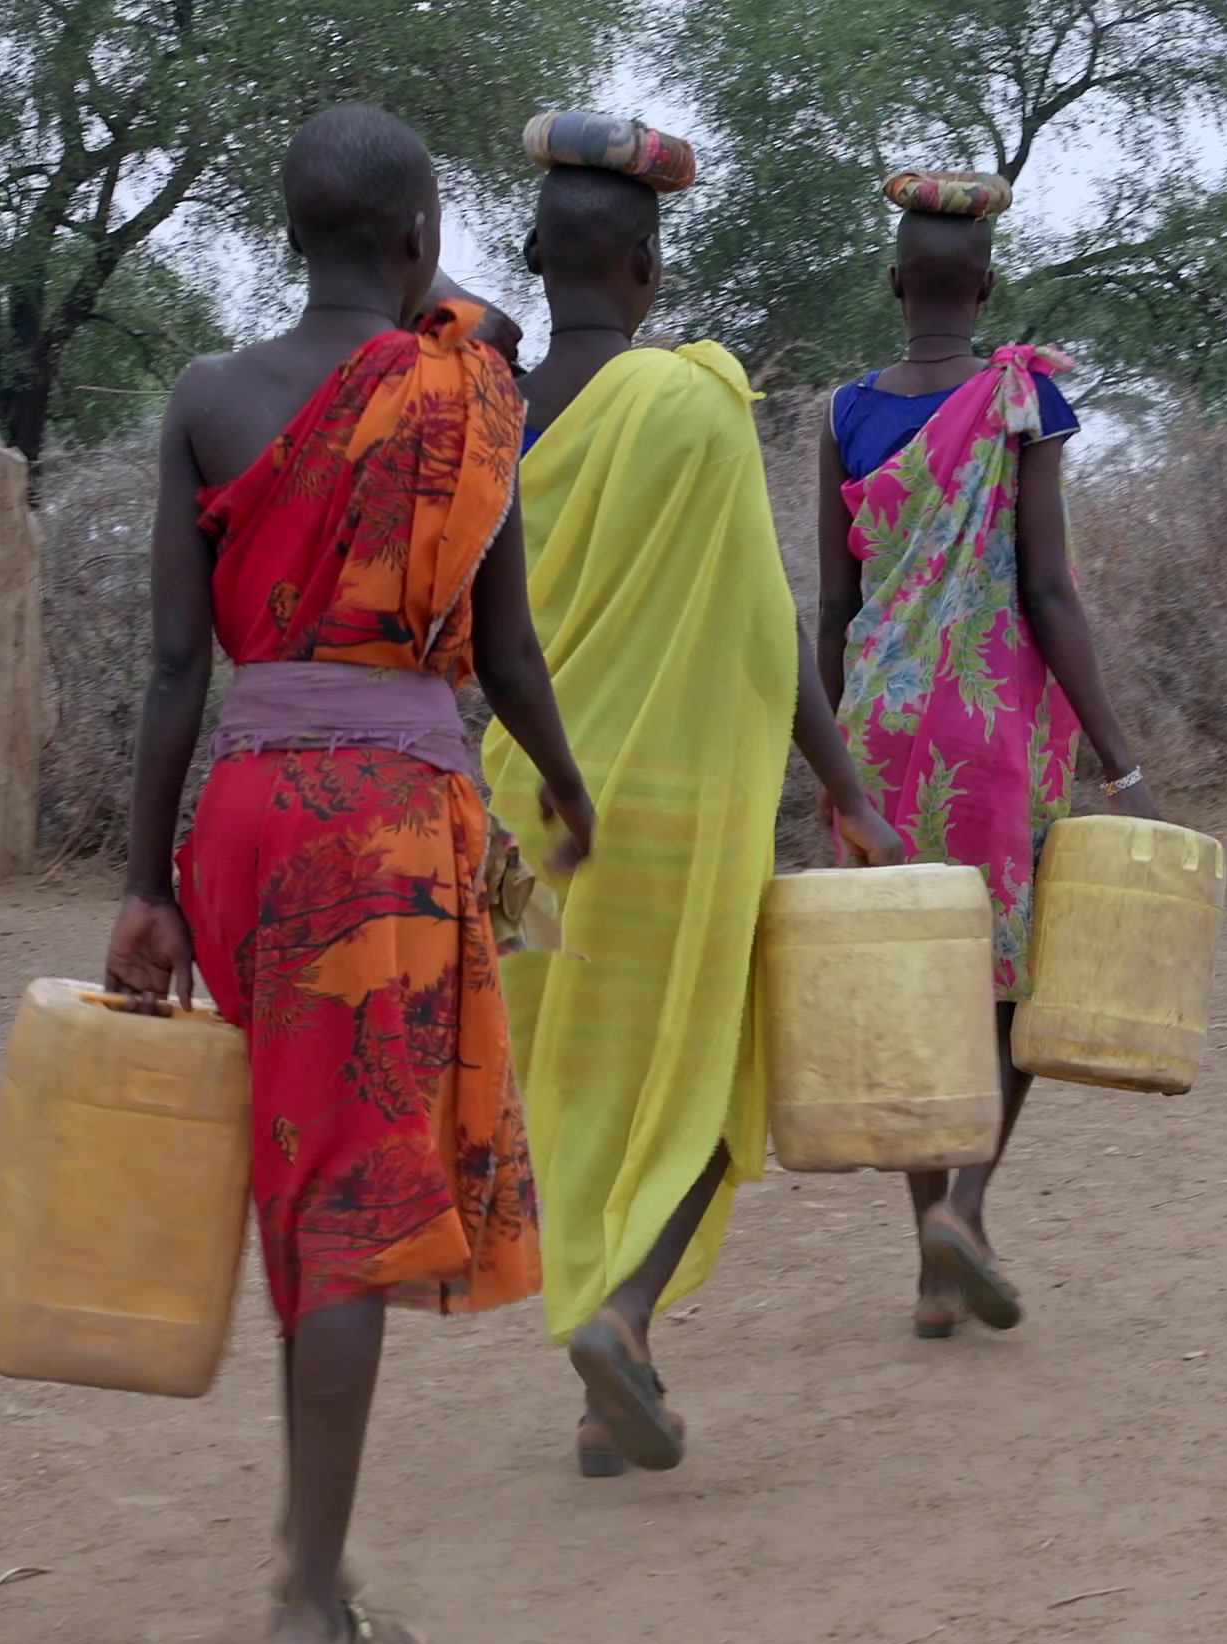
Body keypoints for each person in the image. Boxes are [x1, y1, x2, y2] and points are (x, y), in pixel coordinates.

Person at [106, 104, 597, 1644]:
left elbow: (181, 666)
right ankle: (313, 1608)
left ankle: (307, 1559)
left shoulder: (206, 398)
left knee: (299, 1178)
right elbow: (507, 652)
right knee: (355, 1206)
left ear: (292, 232)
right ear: (417, 241)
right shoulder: (471, 396)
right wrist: (569, 789)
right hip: (386, 830)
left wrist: (142, 882)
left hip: (245, 821)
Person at [493, 114, 906, 1475]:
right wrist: (846, 789)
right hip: (670, 819)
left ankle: (616, 1372)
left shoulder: (484, 416)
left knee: (575, 1086)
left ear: (537, 258)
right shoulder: (691, 403)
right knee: (714, 1086)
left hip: (529, 818)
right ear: (651, 269)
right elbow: (763, 625)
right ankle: (620, 1314)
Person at [814, 169, 1162, 1340]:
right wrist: (1121, 761)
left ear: (896, 283)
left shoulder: (843, 413)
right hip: (993, 728)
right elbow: (1052, 591)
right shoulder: (1027, 403)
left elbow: (834, 607)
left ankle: (929, 1262)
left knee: (912, 981)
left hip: (877, 731)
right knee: (1010, 983)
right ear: (989, 287)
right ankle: (965, 1208)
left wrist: (832, 767)